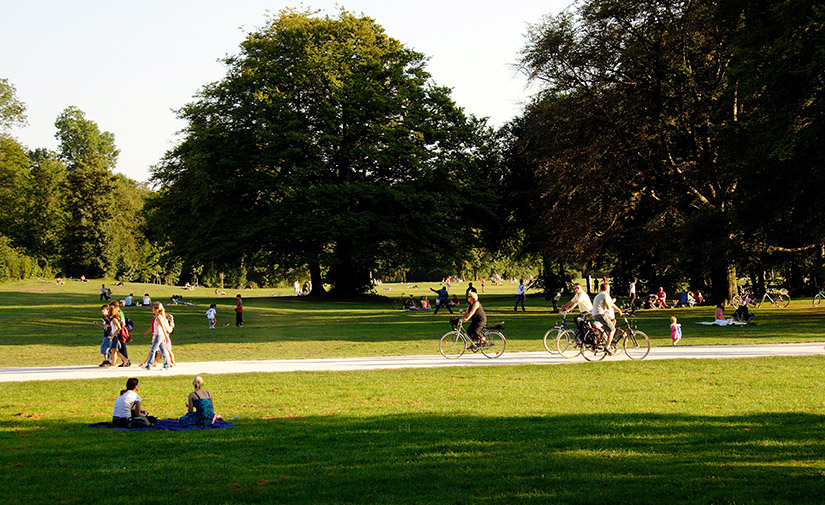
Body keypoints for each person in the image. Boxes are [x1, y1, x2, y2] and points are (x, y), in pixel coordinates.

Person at [592, 281, 623, 353]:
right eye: (609, 288)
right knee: (612, 329)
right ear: (606, 288)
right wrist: (614, 301)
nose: (609, 289)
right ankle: (608, 346)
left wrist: (619, 310)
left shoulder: (599, 295)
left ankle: (605, 339)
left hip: (595, 315)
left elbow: (610, 304)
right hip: (600, 315)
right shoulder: (605, 295)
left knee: (612, 321)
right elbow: (608, 306)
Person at [143, 302, 172, 370]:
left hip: (159, 335)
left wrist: (166, 336)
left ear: (156, 309)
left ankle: (149, 365)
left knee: (153, 350)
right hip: (159, 335)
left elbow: (163, 327)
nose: (152, 310)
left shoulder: (159, 317)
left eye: (153, 308)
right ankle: (166, 365)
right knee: (163, 350)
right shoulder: (157, 317)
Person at [106, 302, 131, 367]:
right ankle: (125, 360)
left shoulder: (114, 319)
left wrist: (113, 336)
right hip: (114, 335)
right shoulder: (113, 319)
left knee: (113, 350)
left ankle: (115, 363)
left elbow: (119, 328)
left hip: (115, 336)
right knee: (113, 350)